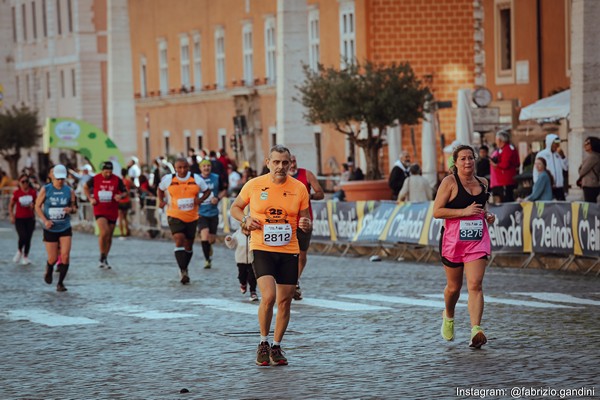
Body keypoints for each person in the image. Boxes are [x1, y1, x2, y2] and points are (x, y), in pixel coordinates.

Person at [230, 144, 311, 366]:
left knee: (285, 301)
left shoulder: (299, 188)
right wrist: (245, 219)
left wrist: (306, 224)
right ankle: (263, 342)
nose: (281, 167)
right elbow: (235, 207)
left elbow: (306, 222)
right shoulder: (254, 185)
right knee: (269, 296)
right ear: (268, 162)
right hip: (262, 247)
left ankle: (276, 346)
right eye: (276, 162)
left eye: (285, 162)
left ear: (290, 163)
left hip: (288, 250)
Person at [433, 145, 496, 349]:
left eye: (470, 158)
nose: (468, 162)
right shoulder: (449, 182)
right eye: (463, 159)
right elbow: (437, 211)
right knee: (454, 288)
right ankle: (449, 316)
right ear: (456, 162)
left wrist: (487, 215)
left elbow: (481, 207)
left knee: (475, 284)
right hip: (453, 241)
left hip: (477, 239)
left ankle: (476, 329)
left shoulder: (483, 182)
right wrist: (463, 211)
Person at [157, 158, 210, 284]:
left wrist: (200, 200)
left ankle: (184, 267)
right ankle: (183, 270)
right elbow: (160, 189)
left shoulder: (196, 179)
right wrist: (161, 201)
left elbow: (207, 191)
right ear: (175, 168)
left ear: (188, 167)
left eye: (185, 167)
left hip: (192, 216)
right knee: (179, 239)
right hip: (174, 215)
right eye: (179, 167)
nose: (182, 170)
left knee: (189, 245)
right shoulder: (169, 179)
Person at [34, 164, 77, 292]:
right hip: (50, 228)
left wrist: (70, 209)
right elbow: (37, 206)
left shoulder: (69, 191)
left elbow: (75, 208)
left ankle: (60, 283)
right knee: (52, 258)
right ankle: (49, 268)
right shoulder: (46, 189)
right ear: (52, 177)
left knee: (65, 256)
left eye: (62, 179)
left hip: (65, 227)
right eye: (58, 178)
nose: (60, 181)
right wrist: (45, 220)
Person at [288, 154, 325, 300]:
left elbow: (320, 193)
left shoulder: (306, 174)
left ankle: (294, 281)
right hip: (287, 221)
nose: (292, 165)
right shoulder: (281, 177)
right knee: (288, 254)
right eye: (289, 162)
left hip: (304, 220)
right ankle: (290, 283)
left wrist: (310, 197)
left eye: (294, 161)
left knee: (302, 255)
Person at [84, 161, 127, 269]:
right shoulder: (95, 178)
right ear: (102, 170)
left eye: (110, 172)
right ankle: (102, 255)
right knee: (104, 232)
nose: (108, 174)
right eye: (106, 172)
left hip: (112, 210)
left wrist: (120, 196)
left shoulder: (117, 179)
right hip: (99, 209)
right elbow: (85, 187)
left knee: (109, 236)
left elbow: (125, 191)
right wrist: (90, 198)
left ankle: (105, 257)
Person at [198, 159, 227, 269]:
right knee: (204, 235)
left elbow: (224, 191)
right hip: (201, 212)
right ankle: (207, 260)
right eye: (204, 166)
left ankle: (209, 246)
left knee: (212, 239)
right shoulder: (196, 179)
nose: (206, 168)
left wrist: (218, 198)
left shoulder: (216, 177)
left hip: (213, 212)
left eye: (208, 166)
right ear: (200, 168)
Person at [9, 174, 37, 265]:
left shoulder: (32, 192)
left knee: (28, 238)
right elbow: (11, 205)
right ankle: (19, 250)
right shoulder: (17, 193)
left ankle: (25, 256)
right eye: (23, 182)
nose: (25, 184)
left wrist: (33, 206)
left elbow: (37, 204)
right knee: (23, 236)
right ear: (19, 183)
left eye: (26, 181)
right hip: (19, 218)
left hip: (30, 218)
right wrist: (11, 216)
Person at [224, 225, 258, 301]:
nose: (247, 232)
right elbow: (232, 245)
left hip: (252, 260)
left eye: (249, 231)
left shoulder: (255, 234)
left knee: (252, 277)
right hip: (241, 260)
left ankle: (253, 292)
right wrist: (229, 240)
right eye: (245, 230)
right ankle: (243, 284)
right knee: (242, 276)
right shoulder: (237, 235)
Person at [534, 133, 568, 200]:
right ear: (550, 143)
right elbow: (536, 170)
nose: (557, 145)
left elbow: (565, 167)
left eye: (558, 143)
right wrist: (537, 184)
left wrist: (563, 156)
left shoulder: (558, 155)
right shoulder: (542, 154)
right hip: (548, 187)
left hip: (559, 187)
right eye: (555, 143)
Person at [489, 130, 519, 203]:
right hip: (501, 181)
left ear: (500, 140)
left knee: (506, 201)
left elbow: (505, 164)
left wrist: (495, 165)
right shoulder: (504, 149)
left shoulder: (507, 149)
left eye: (496, 140)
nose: (496, 142)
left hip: (504, 181)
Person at [577, 137, 600, 203]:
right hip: (592, 184)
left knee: (590, 204)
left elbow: (582, 171)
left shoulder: (593, 157)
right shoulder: (594, 156)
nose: (585, 145)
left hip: (590, 185)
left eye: (587, 143)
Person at [118, 169, 133, 237]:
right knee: (125, 217)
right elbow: (134, 186)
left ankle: (121, 233)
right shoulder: (128, 181)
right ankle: (127, 231)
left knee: (120, 218)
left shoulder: (119, 181)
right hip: (127, 200)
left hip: (120, 201)